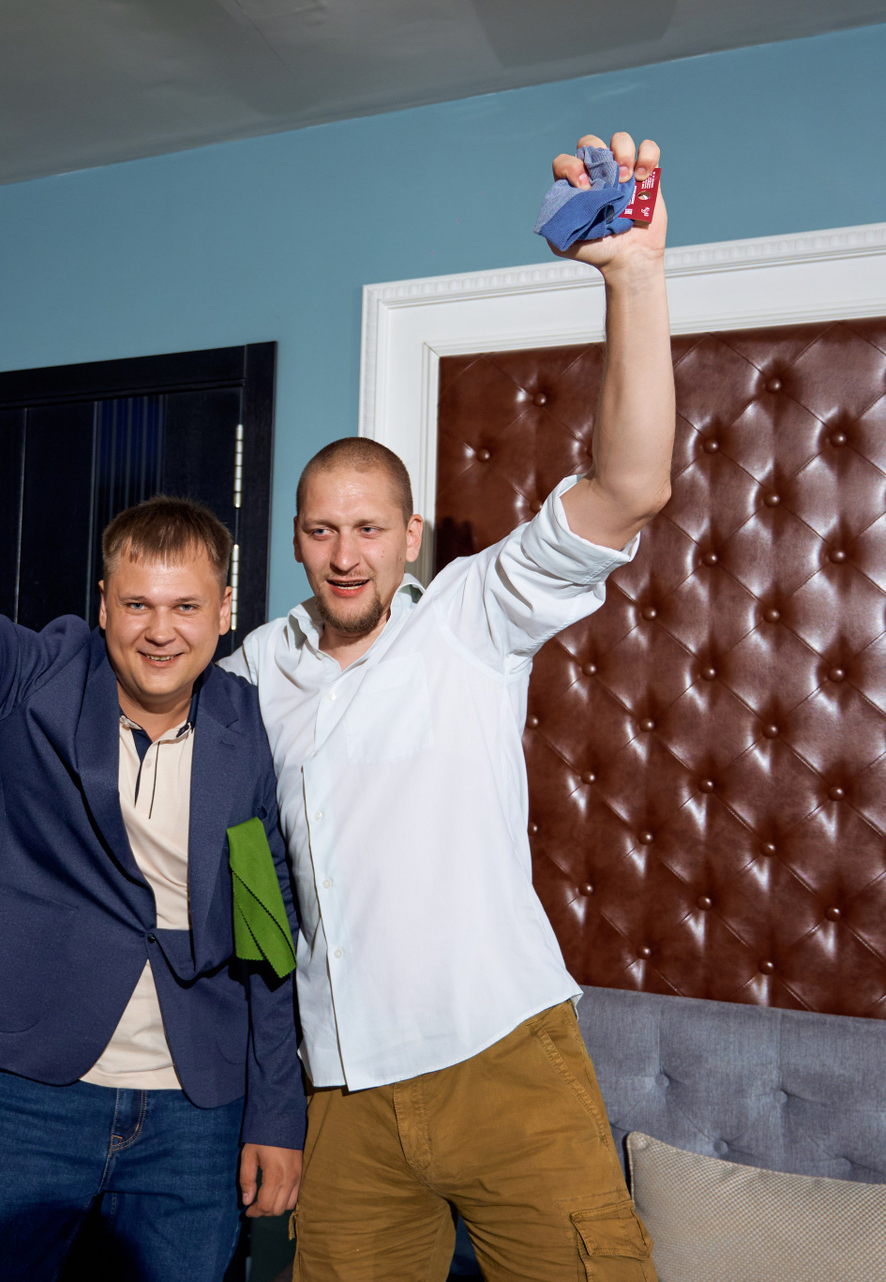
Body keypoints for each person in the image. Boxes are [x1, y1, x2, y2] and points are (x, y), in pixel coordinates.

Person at [218, 132, 674, 1281]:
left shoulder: (471, 616)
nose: (346, 554)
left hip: (502, 1056)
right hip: (344, 1091)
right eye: (323, 530)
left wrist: (633, 276)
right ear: (295, 541)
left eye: (370, 528)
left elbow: (630, 486)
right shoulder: (253, 670)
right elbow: (179, 779)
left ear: (411, 537)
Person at [0, 333, 305, 1281]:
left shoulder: (245, 730)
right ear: (105, 603)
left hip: (197, 1110)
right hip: (35, 1093)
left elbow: (265, 933)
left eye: (186, 607)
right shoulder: (35, 680)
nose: (160, 631)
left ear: (224, 610)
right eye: (138, 605)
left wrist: (277, 1115)